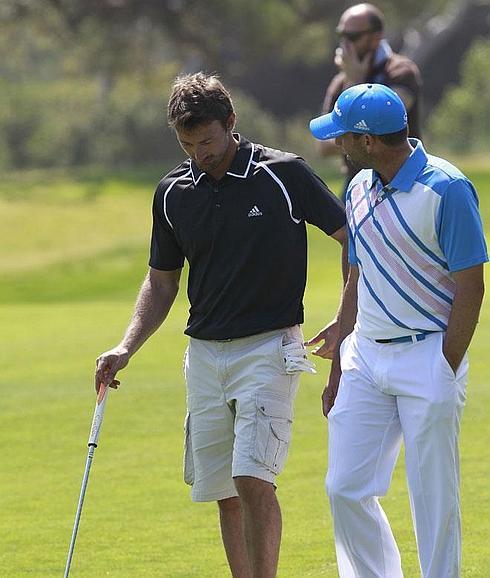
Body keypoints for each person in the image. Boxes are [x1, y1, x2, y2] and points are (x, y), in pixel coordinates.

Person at [95, 72, 347, 578]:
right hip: (205, 358)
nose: (199, 154)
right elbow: (161, 283)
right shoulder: (172, 192)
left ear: (231, 124)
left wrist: (346, 320)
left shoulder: (284, 173)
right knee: (224, 494)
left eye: (206, 141)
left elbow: (352, 240)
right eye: (187, 143)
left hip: (270, 348)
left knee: (253, 480)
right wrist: (126, 347)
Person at [308, 83, 487, 577]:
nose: (336, 144)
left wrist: (443, 364)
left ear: (367, 142)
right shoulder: (358, 187)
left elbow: (471, 286)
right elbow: (357, 273)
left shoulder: (446, 188)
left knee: (432, 498)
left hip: (427, 356)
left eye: (343, 136)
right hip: (365, 357)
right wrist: (341, 355)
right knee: (344, 487)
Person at [317, 3, 422, 201]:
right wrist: (350, 80)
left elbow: (383, 124)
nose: (345, 44)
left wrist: (356, 82)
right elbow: (324, 145)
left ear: (376, 38)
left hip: (402, 178)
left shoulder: (400, 72)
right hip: (356, 181)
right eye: (342, 35)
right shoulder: (341, 81)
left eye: (353, 37)